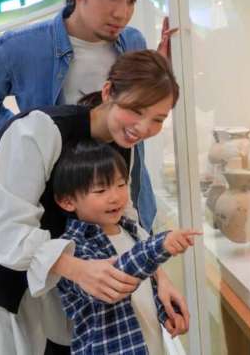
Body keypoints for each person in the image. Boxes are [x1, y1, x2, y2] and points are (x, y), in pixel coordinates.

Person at [0, 51, 187, 355]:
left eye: (158, 119)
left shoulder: (120, 144)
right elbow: (10, 230)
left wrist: (159, 280)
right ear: (108, 92)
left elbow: (122, 219)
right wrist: (79, 269)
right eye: (136, 110)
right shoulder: (38, 130)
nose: (143, 128)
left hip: (40, 270)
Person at [0, 0, 177, 231]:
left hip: (125, 197)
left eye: (132, 0)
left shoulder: (132, 41)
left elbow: (135, 109)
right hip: (61, 204)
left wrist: (159, 72)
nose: (122, 13)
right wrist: (30, 140)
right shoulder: (19, 47)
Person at [52, 139, 200, 355]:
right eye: (101, 190)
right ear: (67, 201)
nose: (115, 196)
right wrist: (160, 245)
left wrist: (166, 313)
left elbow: (142, 289)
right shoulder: (73, 247)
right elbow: (117, 279)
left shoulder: (131, 231)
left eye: (121, 184)